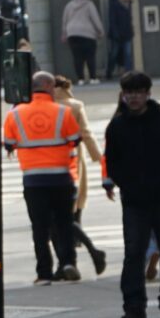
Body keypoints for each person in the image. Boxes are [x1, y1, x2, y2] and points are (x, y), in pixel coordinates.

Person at [102, 72, 160, 318]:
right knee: (134, 252)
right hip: (134, 200)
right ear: (123, 95)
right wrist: (125, 183)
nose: (133, 97)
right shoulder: (117, 126)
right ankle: (134, 309)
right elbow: (112, 161)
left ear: (147, 94)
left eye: (138, 92)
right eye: (129, 93)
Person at [4, 70, 85, 285]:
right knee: (64, 223)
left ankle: (44, 272)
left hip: (33, 180)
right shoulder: (63, 112)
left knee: (39, 227)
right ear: (49, 87)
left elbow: (9, 143)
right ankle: (68, 263)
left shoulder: (15, 114)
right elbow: (75, 139)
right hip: (61, 178)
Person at [53, 76, 109, 275]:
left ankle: (67, 263)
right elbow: (86, 134)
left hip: (47, 164)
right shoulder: (75, 106)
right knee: (69, 212)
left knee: (57, 219)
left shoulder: (46, 106)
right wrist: (100, 159)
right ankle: (73, 258)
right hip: (73, 161)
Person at [60, 0, 104, 85]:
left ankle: (81, 79)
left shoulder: (69, 5)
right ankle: (92, 78)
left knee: (77, 57)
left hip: (72, 34)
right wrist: (100, 31)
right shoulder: (89, 4)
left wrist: (64, 33)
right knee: (90, 57)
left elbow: (65, 20)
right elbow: (95, 18)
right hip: (88, 34)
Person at [106, 0, 136, 81]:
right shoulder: (114, 4)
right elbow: (112, 20)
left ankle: (129, 73)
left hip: (127, 33)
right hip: (117, 34)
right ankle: (109, 72)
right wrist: (115, 33)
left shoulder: (129, 4)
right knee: (114, 53)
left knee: (128, 54)